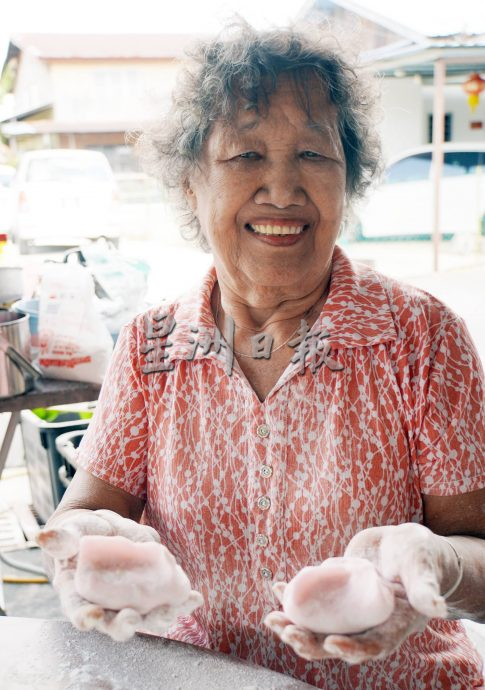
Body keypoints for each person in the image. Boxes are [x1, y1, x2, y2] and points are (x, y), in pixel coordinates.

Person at [38, 22, 485, 689]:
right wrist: (83, 552)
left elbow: (478, 556)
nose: (281, 188)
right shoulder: (150, 346)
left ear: (347, 179)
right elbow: (81, 517)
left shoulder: (420, 337)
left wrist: (440, 566)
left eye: (313, 154)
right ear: (190, 182)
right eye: (245, 156)